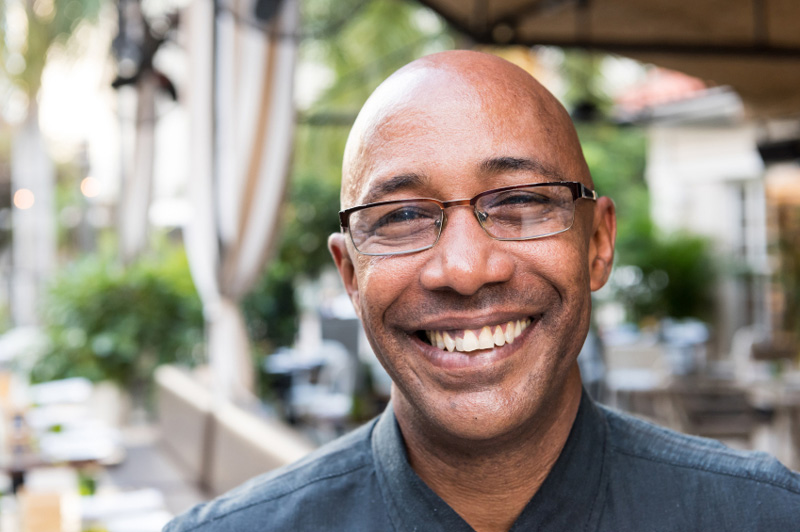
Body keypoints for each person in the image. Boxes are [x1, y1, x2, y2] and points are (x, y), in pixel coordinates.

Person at [164, 51, 800, 532]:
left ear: (597, 243)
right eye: (402, 217)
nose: (465, 269)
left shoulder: (760, 516)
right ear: (351, 274)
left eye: (522, 201)